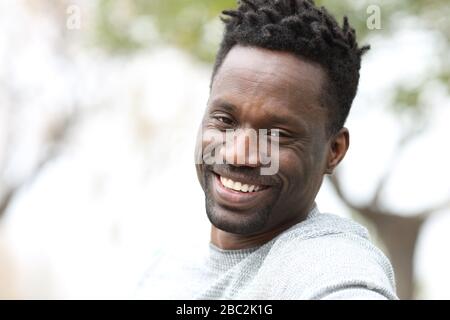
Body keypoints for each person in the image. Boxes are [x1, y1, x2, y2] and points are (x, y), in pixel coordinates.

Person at [138, 0, 397, 300]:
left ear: (334, 150)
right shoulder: (167, 269)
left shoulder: (333, 270)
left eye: (277, 135)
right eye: (224, 120)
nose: (237, 154)